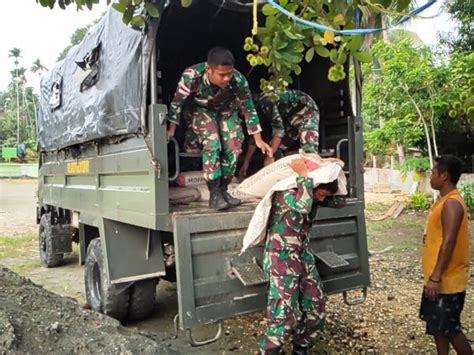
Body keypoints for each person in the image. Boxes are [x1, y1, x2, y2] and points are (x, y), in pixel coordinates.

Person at [167, 47, 272, 210]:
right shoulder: (192, 76)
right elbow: (177, 103)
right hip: (199, 110)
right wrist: (171, 129)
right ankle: (214, 193)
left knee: (234, 144)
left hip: (226, 110)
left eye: (229, 73)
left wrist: (258, 139)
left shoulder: (238, 80)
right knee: (213, 141)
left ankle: (224, 189)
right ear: (209, 69)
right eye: (222, 75)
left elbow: (248, 108)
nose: (227, 78)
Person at [260, 158, 338, 355]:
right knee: (284, 315)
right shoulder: (286, 193)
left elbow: (340, 201)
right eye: (321, 194)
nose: (321, 200)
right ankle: (270, 350)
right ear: (314, 186)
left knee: (317, 307)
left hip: (303, 257)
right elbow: (302, 206)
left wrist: (334, 168)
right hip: (281, 259)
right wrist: (304, 176)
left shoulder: (313, 195)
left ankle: (301, 346)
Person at [419, 155, 471, 355]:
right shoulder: (444, 201)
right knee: (438, 329)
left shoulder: (452, 204)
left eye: (433, 173)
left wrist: (435, 277)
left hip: (446, 283)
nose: (430, 176)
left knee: (451, 331)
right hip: (438, 280)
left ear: (445, 176)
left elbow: (449, 242)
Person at [239, 90, 320, 180]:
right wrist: (246, 163)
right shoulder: (249, 113)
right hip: (288, 117)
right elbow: (255, 137)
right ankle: (283, 181)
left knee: (309, 151)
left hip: (306, 110)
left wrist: (270, 157)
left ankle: (313, 183)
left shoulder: (266, 102)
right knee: (278, 149)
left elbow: (278, 130)